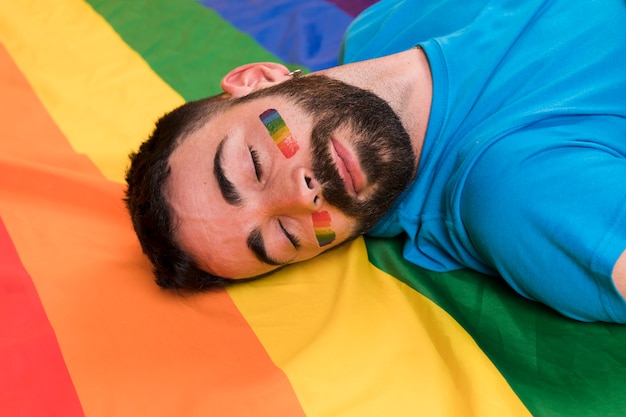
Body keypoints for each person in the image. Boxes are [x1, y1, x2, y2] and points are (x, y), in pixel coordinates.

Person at [125, 0, 626, 323]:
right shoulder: (516, 195)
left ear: (258, 79)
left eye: (254, 165)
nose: (301, 195)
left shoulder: (378, 28)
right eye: (285, 235)